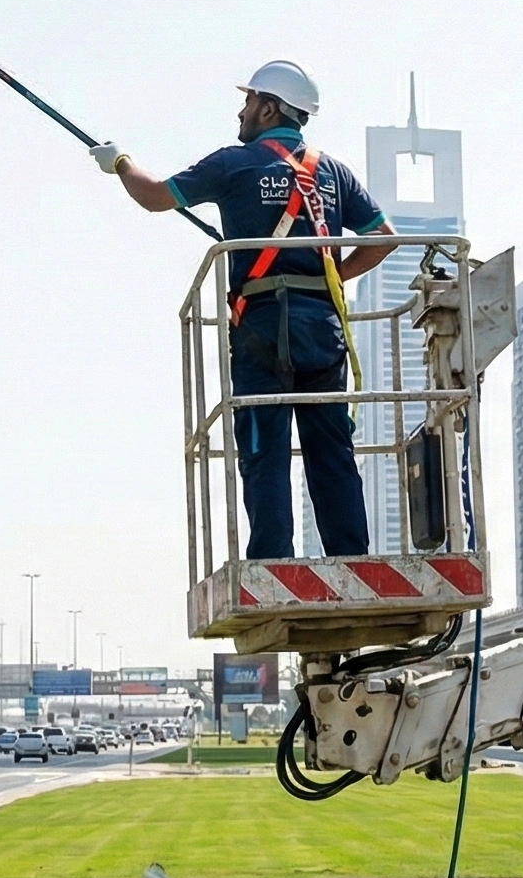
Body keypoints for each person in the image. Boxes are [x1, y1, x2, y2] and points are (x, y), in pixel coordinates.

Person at [91, 60, 390, 559]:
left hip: (261, 329)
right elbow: (382, 239)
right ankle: (351, 557)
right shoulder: (332, 173)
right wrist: (334, 275)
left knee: (263, 446)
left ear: (270, 108)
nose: (242, 109)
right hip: (322, 329)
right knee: (331, 449)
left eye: (250, 101)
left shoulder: (234, 164)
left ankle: (273, 561)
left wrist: (120, 161)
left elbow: (155, 196)